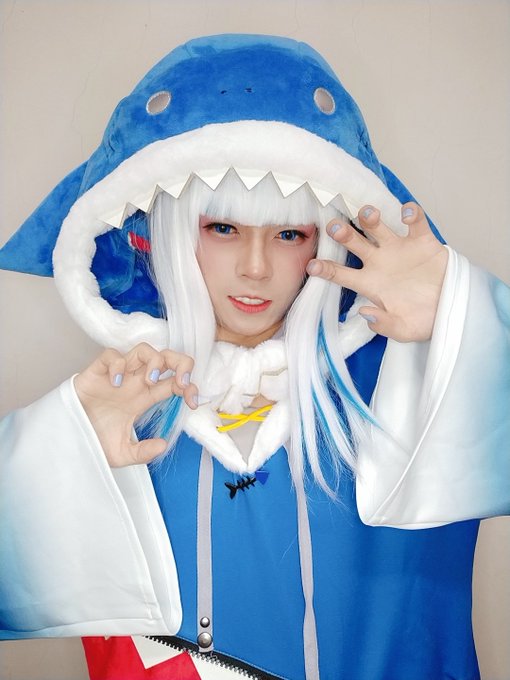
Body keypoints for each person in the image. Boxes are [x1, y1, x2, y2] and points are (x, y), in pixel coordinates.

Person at [0, 34, 508, 680]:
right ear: (168, 232)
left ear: (324, 240)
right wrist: (52, 451)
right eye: (223, 227)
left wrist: (465, 313)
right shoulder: (122, 409)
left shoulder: (410, 384)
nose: (256, 267)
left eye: (289, 233)